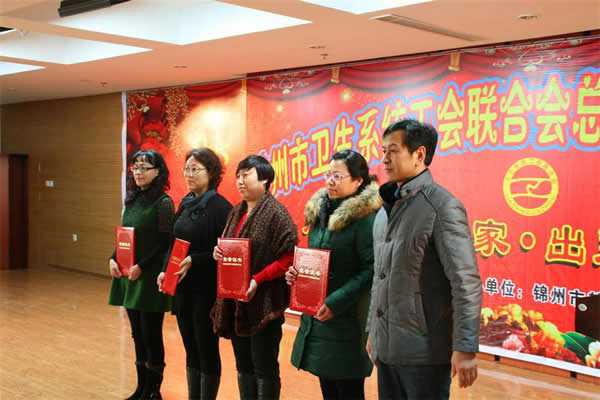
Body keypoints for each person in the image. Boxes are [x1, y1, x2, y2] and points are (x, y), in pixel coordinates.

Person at [367, 119, 482, 400]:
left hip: (425, 353)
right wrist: (373, 332)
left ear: (419, 154)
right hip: (388, 350)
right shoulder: (384, 211)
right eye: (383, 151)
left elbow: (465, 282)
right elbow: (379, 278)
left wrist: (465, 347)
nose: (385, 159)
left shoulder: (441, 206)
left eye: (393, 151)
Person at [286, 150, 381, 400]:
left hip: (348, 319)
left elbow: (372, 269)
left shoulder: (366, 219)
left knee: (348, 390)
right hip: (318, 315)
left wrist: (336, 301)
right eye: (328, 174)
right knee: (328, 389)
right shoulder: (321, 212)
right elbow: (316, 259)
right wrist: (297, 275)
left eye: (337, 176)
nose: (330, 181)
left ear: (358, 181)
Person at [211, 155, 298, 400]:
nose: (240, 181)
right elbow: (230, 246)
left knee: (264, 365)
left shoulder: (277, 213)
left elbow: (289, 257)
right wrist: (219, 252)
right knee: (243, 364)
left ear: (265, 179)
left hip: (264, 302)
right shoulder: (236, 211)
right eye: (238, 176)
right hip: (236, 300)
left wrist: (258, 279)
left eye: (246, 175)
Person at [157, 148, 232, 400]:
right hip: (182, 287)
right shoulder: (186, 202)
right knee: (190, 347)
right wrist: (165, 270)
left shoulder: (221, 208)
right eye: (187, 169)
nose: (189, 174)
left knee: (206, 348)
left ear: (211, 173)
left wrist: (195, 260)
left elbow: (226, 251)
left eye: (195, 169)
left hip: (206, 289)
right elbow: (174, 242)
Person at [108, 149, 175, 400]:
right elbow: (125, 236)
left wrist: (143, 266)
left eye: (144, 167)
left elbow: (165, 242)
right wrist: (113, 258)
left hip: (149, 277)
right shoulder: (132, 199)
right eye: (135, 167)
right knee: (137, 333)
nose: (138, 172)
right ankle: (141, 388)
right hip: (129, 276)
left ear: (158, 172)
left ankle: (154, 391)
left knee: (151, 334)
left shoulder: (164, 203)